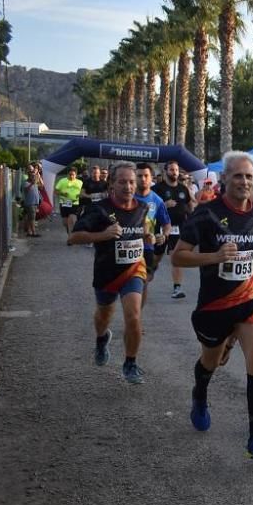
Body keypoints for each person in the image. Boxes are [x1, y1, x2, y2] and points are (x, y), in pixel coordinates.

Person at [172, 151, 253, 462]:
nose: (244, 181)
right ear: (225, 179)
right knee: (210, 362)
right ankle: (200, 395)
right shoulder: (205, 214)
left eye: (248, 176)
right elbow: (178, 256)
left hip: (248, 298)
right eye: (237, 176)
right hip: (214, 304)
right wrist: (215, 257)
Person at [68, 162, 154, 383]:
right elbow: (73, 238)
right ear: (112, 185)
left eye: (131, 182)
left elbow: (144, 229)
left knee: (134, 316)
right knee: (104, 315)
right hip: (106, 271)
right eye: (122, 182)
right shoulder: (100, 209)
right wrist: (103, 235)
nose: (128, 186)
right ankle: (101, 338)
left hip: (134, 270)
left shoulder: (143, 208)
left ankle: (131, 363)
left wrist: (149, 237)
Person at [152, 160, 196, 299]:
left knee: (175, 257)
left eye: (176, 170)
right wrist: (164, 205)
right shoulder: (157, 189)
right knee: (156, 257)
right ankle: (146, 276)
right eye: (171, 169)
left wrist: (193, 217)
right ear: (165, 171)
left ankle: (177, 288)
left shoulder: (183, 189)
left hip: (178, 228)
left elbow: (190, 207)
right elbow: (149, 209)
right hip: (162, 227)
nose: (174, 172)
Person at [133, 163, 171, 308]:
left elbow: (166, 224)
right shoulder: (128, 197)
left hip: (147, 248)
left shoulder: (157, 200)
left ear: (152, 178)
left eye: (146, 176)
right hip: (126, 246)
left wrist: (164, 235)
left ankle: (136, 318)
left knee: (142, 284)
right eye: (139, 176)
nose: (143, 179)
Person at [54, 166, 84, 238]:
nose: (71, 176)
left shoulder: (80, 182)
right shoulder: (62, 181)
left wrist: (80, 195)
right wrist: (62, 193)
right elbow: (55, 191)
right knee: (65, 222)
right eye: (70, 174)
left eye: (73, 174)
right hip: (64, 203)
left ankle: (71, 237)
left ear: (76, 175)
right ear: (68, 174)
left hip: (75, 203)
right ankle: (70, 233)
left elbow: (83, 192)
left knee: (73, 220)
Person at [21, 166, 42, 237]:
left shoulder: (35, 183)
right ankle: (34, 232)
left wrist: (38, 177)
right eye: (32, 176)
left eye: (34, 176)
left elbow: (42, 186)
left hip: (35, 203)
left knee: (31, 218)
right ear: (29, 176)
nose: (33, 177)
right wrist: (32, 183)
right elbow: (26, 189)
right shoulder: (26, 182)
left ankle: (29, 232)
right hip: (30, 203)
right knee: (32, 219)